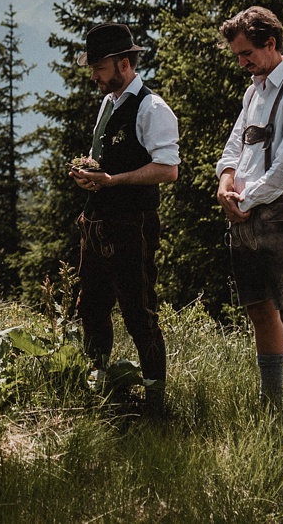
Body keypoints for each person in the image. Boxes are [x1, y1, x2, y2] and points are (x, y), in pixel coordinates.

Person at [215, 7, 283, 407]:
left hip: (281, 214)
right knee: (259, 309)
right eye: (238, 56)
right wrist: (226, 184)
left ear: (272, 43)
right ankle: (271, 400)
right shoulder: (254, 91)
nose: (242, 63)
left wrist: (244, 198)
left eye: (247, 54)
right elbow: (235, 146)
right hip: (244, 213)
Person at [68, 23, 179, 412]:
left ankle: (154, 400)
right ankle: (97, 385)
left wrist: (113, 180)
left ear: (125, 63)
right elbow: (108, 159)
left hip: (134, 223)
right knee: (91, 306)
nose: (94, 75)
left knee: (139, 311)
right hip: (96, 222)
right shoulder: (109, 103)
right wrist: (89, 174)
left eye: (100, 67)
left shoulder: (152, 108)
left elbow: (168, 169)